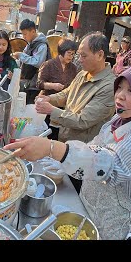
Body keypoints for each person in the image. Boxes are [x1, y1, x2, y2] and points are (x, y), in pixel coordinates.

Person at [5, 64, 131, 240]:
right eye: (119, 87)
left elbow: (112, 165)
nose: (120, 96)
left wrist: (52, 148)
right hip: (94, 214)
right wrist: (63, 161)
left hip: (124, 228)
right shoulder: (122, 119)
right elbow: (95, 147)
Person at [34, 32, 116, 193]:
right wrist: (49, 99)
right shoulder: (82, 74)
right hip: (66, 143)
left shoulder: (109, 86)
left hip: (84, 154)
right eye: (78, 55)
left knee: (73, 190)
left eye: (83, 56)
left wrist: (52, 110)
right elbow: (66, 95)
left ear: (100, 55)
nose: (79, 59)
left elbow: (83, 120)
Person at [36, 38, 79, 140]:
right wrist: (52, 85)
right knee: (45, 132)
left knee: (57, 134)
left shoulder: (73, 68)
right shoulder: (49, 64)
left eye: (73, 54)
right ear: (62, 52)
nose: (71, 57)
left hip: (63, 105)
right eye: (69, 53)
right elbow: (39, 83)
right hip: (47, 102)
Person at [13, 19, 51, 104]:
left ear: (33, 31)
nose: (24, 37)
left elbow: (38, 62)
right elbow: (23, 60)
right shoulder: (30, 44)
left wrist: (21, 55)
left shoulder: (42, 45)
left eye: (25, 34)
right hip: (28, 83)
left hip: (35, 85)